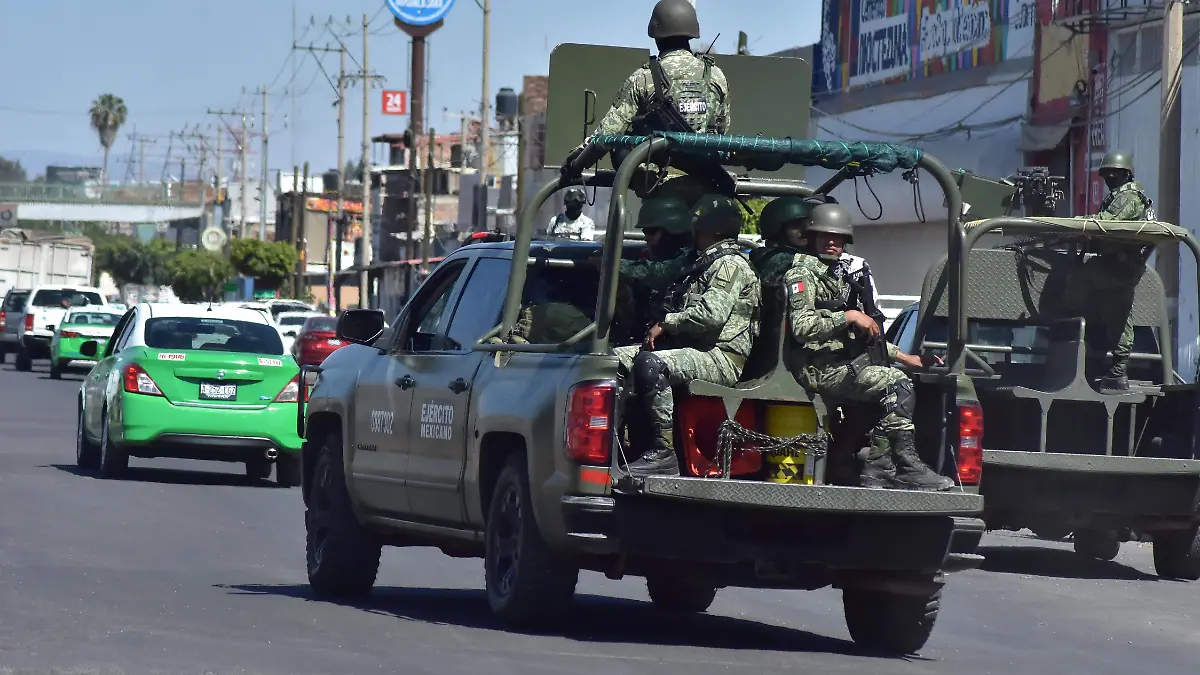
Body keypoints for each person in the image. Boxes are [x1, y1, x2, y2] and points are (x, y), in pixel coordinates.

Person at [783, 203, 953, 491]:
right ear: (811, 237)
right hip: (818, 368)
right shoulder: (802, 275)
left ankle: (877, 468)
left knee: (892, 386)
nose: (832, 242)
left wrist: (906, 357)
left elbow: (863, 336)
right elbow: (802, 327)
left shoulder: (839, 277)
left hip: (840, 364)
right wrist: (848, 316)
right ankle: (905, 465)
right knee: (895, 385)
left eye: (838, 238)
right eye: (825, 236)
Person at [615, 194, 761, 476]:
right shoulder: (705, 261)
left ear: (710, 228)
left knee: (651, 364)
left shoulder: (729, 264)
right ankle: (620, 445)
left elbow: (711, 315)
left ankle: (663, 453)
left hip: (720, 358)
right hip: (695, 350)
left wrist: (667, 323)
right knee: (612, 361)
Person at [562, 0, 731, 204]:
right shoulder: (715, 75)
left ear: (656, 33)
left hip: (659, 191)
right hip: (707, 186)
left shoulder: (644, 78)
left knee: (622, 147)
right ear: (691, 32)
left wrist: (576, 162)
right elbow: (722, 133)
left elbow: (607, 134)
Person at [750, 196, 812, 284]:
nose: (806, 229)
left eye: (808, 223)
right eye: (797, 224)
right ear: (778, 230)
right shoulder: (779, 261)